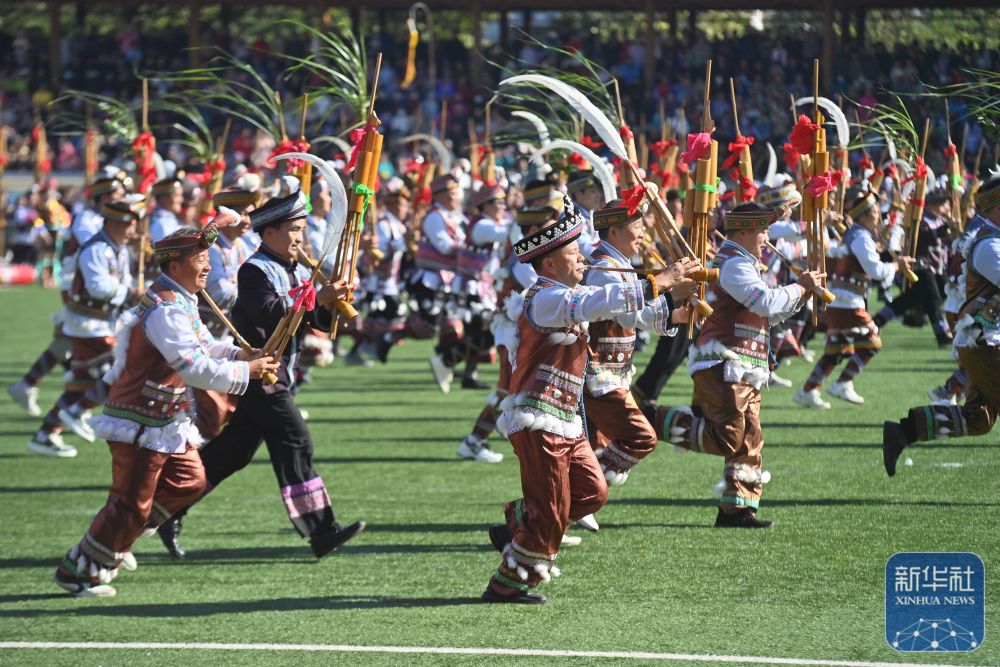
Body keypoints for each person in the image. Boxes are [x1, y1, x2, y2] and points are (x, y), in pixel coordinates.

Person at [482, 203, 697, 604]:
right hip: (537, 419)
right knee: (550, 514)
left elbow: (612, 303)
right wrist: (659, 281)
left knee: (593, 492)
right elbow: (599, 303)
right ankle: (506, 584)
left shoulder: (567, 292)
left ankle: (520, 518)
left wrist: (671, 299)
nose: (582, 257)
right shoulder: (545, 299)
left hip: (565, 419)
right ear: (549, 262)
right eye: (572, 253)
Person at [53, 220, 279, 597]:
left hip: (165, 419)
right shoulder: (166, 309)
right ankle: (77, 570)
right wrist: (247, 371)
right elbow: (192, 365)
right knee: (130, 505)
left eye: (208, 256)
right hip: (139, 420)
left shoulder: (180, 299)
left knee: (189, 482)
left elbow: (206, 346)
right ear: (175, 266)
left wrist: (241, 354)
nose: (208, 264)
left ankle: (117, 542)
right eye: (200, 258)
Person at [161, 190, 365, 559]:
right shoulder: (254, 269)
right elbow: (269, 313)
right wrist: (318, 299)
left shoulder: (298, 268)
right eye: (294, 230)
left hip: (279, 372)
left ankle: (167, 508)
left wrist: (333, 307)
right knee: (296, 439)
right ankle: (321, 529)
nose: (301, 238)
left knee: (231, 454)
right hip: (259, 375)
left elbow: (313, 321)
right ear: (269, 232)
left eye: (302, 229)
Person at [645, 202, 824, 528]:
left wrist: (804, 295)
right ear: (743, 232)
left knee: (750, 438)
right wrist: (800, 286)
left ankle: (737, 508)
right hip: (722, 361)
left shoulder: (745, 263)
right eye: (762, 231)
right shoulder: (733, 266)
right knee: (728, 437)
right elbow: (765, 302)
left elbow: (769, 314)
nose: (766, 237)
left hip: (744, 364)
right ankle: (651, 419)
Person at [883, 178, 1000, 475]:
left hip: (985, 342)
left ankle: (904, 432)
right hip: (986, 343)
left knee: (979, 418)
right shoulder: (989, 245)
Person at [583, 198, 696, 493]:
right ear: (616, 231)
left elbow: (637, 315)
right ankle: (581, 494)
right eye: (638, 225)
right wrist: (669, 289)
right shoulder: (602, 267)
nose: (644, 232)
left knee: (590, 452)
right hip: (597, 376)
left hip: (612, 375)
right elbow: (627, 311)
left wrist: (675, 309)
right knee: (642, 437)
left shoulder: (618, 264)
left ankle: (569, 506)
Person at [26, 201, 141, 457]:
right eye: (129, 224)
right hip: (89, 325)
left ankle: (45, 434)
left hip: (101, 323)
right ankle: (77, 411)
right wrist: (130, 292)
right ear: (113, 223)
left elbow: (122, 282)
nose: (134, 229)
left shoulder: (118, 248)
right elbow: (99, 287)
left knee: (81, 382)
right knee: (128, 369)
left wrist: (134, 289)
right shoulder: (97, 249)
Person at [8, 176, 125, 417]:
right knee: (86, 340)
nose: (121, 199)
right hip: (78, 286)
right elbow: (95, 248)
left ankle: (32, 386)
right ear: (104, 198)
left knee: (68, 339)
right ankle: (75, 403)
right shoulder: (87, 219)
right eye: (117, 196)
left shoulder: (99, 218)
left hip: (86, 286)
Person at [794, 189, 914, 408]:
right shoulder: (860, 238)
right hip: (848, 300)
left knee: (837, 349)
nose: (879, 216)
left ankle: (808, 391)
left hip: (843, 299)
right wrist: (898, 265)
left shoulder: (858, 236)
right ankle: (843, 383)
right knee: (872, 343)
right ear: (863, 217)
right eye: (875, 213)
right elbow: (876, 271)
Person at [149, 178, 185, 242]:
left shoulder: (168, 219)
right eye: (177, 196)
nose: (181, 200)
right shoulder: (161, 223)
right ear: (164, 199)